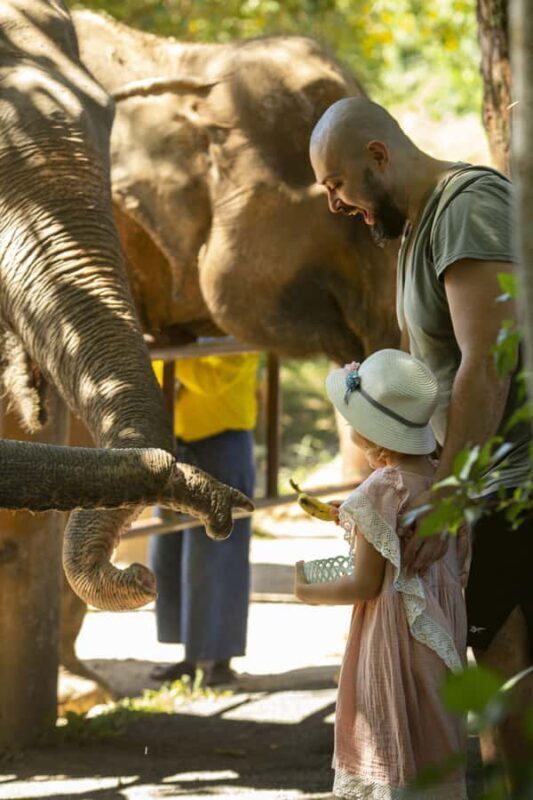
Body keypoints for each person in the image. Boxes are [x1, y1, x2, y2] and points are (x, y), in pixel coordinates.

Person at [309, 97, 533, 785]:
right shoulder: (417, 231)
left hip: (503, 488)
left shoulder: (467, 205)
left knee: (507, 686)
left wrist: (447, 493)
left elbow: (487, 357)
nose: (334, 205)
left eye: (337, 184)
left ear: (378, 155)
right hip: (474, 487)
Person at [295, 351, 470, 799]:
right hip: (442, 635)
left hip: (392, 641)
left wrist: (307, 592)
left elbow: (365, 584)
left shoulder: (378, 490)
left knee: (394, 731)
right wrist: (352, 518)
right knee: (433, 733)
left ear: (374, 437)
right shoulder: (443, 487)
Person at [149, 351, 259, 686]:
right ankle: (189, 654)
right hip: (175, 443)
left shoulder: (238, 329)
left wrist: (172, 356)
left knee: (219, 553)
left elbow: (213, 381)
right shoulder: (183, 333)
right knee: (168, 551)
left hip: (223, 442)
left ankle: (219, 660)